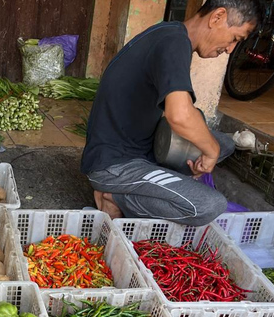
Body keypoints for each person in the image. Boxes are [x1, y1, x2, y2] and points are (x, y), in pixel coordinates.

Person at [81, 0, 263, 226]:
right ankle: (117, 197)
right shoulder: (174, 43)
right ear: (217, 17)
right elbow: (179, 115)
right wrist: (210, 150)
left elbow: (183, 110)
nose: (229, 49)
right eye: (235, 39)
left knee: (225, 144)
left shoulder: (171, 34)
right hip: (114, 164)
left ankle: (161, 185)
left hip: (140, 144)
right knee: (209, 205)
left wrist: (211, 147)